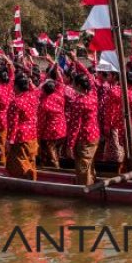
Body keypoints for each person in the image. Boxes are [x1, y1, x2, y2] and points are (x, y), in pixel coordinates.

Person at [66, 51, 101, 186]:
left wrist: (69, 146)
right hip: (94, 135)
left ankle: (86, 190)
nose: (72, 86)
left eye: (74, 84)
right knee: (90, 163)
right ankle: (92, 183)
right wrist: (76, 60)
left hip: (84, 138)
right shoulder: (93, 94)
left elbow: (75, 126)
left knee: (83, 167)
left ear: (79, 86)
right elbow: (89, 76)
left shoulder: (78, 102)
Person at [6, 72, 41, 180]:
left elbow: (13, 123)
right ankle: (32, 181)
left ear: (16, 86)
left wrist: (9, 140)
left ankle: (25, 184)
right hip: (33, 135)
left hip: (21, 137)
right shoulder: (34, 97)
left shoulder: (16, 102)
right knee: (31, 160)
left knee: (20, 163)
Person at [38, 57, 67, 168]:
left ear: (44, 90)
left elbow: (41, 123)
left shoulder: (43, 104)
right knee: (56, 153)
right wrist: (53, 63)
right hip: (62, 130)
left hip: (50, 133)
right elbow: (60, 79)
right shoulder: (60, 94)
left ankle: (56, 172)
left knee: (52, 156)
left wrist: (38, 137)